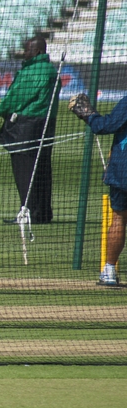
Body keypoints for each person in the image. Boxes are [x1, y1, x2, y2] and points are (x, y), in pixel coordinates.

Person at [0, 36, 61, 224]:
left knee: (24, 170)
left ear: (38, 51)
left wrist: (1, 110)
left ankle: (28, 211)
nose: (25, 53)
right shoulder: (51, 70)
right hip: (46, 124)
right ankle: (42, 212)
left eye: (28, 50)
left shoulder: (32, 71)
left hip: (26, 125)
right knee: (42, 169)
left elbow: (17, 97)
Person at [69, 92, 127, 285]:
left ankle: (109, 271)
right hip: (121, 169)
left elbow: (105, 126)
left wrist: (89, 114)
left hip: (122, 169)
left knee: (118, 218)